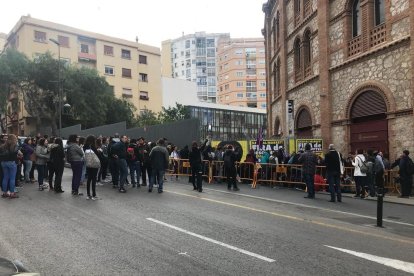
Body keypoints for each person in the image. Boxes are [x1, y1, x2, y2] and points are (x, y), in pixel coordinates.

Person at [0, 134, 20, 198]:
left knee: (5, 177)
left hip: (3, 162)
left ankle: (4, 193)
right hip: (11, 162)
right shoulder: (15, 146)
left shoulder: (2, 146)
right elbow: (15, 154)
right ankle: (12, 193)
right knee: (12, 178)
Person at [84, 135, 100, 200]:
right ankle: (94, 195)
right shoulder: (93, 146)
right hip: (94, 164)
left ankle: (88, 194)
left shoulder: (85, 146)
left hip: (88, 164)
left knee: (89, 179)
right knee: (94, 179)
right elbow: (97, 155)